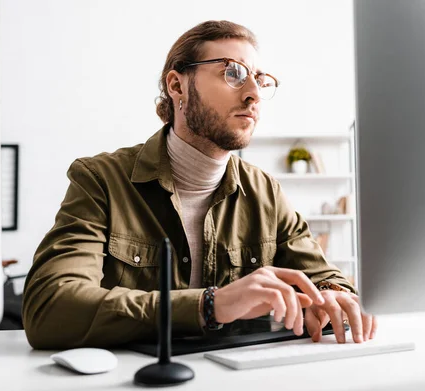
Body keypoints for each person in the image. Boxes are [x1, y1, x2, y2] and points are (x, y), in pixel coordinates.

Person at [22, 20, 377, 349]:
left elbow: (325, 276)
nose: (253, 93)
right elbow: (51, 308)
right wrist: (210, 305)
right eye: (233, 73)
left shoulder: (266, 191)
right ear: (177, 85)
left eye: (260, 79)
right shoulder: (100, 180)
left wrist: (332, 293)